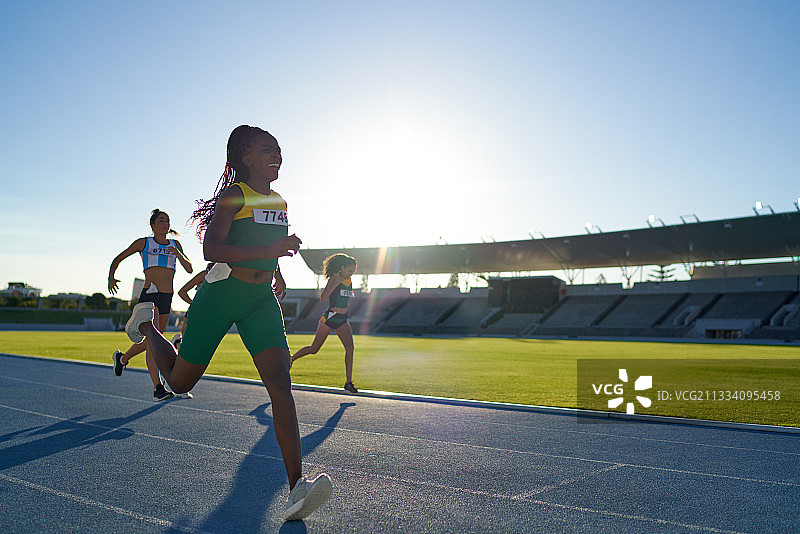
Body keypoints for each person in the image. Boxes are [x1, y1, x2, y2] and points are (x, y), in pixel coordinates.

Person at [123, 125, 331, 521]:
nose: (277, 155)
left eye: (279, 150)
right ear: (246, 157)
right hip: (221, 293)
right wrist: (268, 249)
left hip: (259, 299)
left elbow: (269, 248)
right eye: (267, 149)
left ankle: (295, 489)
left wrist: (276, 270)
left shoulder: (281, 201)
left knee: (280, 384)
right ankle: (148, 325)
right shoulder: (234, 194)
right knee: (180, 383)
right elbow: (211, 248)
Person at [108, 209, 193, 400]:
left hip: (167, 296)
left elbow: (189, 268)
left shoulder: (174, 244)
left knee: (156, 341)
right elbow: (118, 258)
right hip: (151, 294)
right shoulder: (144, 243)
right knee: (155, 340)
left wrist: (178, 253)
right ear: (153, 225)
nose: (165, 224)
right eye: (161, 220)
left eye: (168, 221)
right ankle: (157, 387)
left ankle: (122, 359)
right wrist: (111, 277)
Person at [291, 254, 359, 393]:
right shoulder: (335, 278)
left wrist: (346, 305)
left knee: (350, 348)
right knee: (314, 349)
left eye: (353, 271)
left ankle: (348, 382)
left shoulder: (349, 280)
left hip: (342, 319)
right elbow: (323, 298)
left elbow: (344, 297)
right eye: (350, 270)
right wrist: (334, 284)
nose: (351, 273)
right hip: (329, 318)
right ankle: (291, 360)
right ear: (342, 267)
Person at [171, 262, 214, 350]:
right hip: (195, 313)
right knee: (188, 346)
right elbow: (182, 292)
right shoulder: (205, 274)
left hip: (210, 315)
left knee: (200, 347)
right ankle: (178, 344)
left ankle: (178, 344)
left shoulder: (226, 276)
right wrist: (194, 304)